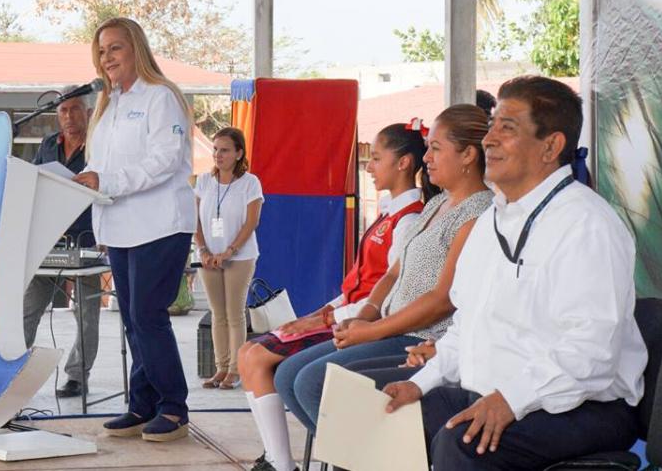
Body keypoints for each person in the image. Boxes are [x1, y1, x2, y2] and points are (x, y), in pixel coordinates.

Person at [383, 76, 647, 471]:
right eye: (491, 126)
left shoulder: (587, 224)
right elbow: (466, 325)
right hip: (497, 390)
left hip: (583, 406)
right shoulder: (492, 219)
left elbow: (591, 351)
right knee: (389, 415)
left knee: (462, 443)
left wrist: (511, 398)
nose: (489, 140)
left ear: (551, 146)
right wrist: (419, 383)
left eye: (507, 128)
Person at [273, 104, 494, 469]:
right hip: (387, 325)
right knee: (287, 376)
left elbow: (442, 300)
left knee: (314, 384)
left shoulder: (477, 212)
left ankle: (375, 458)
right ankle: (367, 456)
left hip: (419, 334)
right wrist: (365, 316)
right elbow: (394, 271)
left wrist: (372, 330)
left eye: (436, 148)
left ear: (468, 155)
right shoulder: (437, 202)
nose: (427, 158)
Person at [237, 121, 432, 471]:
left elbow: (388, 294)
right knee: (249, 350)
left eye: (376, 158)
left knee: (258, 359)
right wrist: (321, 312)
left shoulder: (410, 219)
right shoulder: (391, 213)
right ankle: (278, 458)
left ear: (404, 163)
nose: (369, 167)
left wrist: (328, 319)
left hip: (365, 322)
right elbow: (357, 284)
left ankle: (294, 462)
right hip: (349, 314)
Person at [73, 17, 195, 442]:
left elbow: (163, 160)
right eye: (102, 51)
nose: (107, 58)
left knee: (148, 317)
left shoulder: (161, 98)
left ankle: (174, 407)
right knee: (132, 321)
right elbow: (99, 168)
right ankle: (141, 405)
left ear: (136, 49)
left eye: (116, 48)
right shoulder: (108, 107)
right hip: (121, 228)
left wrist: (106, 182)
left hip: (159, 225)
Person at [22, 90, 101, 398]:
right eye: (63, 111)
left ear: (88, 112)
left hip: (89, 237)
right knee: (29, 309)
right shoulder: (48, 145)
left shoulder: (99, 146)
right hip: (50, 237)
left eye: (75, 109)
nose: (68, 116)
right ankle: (12, 369)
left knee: (87, 312)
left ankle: (77, 376)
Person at [195, 127, 263, 391]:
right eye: (215, 149)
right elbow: (196, 220)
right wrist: (203, 250)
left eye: (224, 150)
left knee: (234, 314)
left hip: (240, 256)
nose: (218, 155)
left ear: (238, 153)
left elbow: (251, 221)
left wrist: (230, 251)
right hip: (208, 256)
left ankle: (235, 370)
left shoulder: (250, 183)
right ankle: (220, 368)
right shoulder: (203, 181)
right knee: (217, 314)